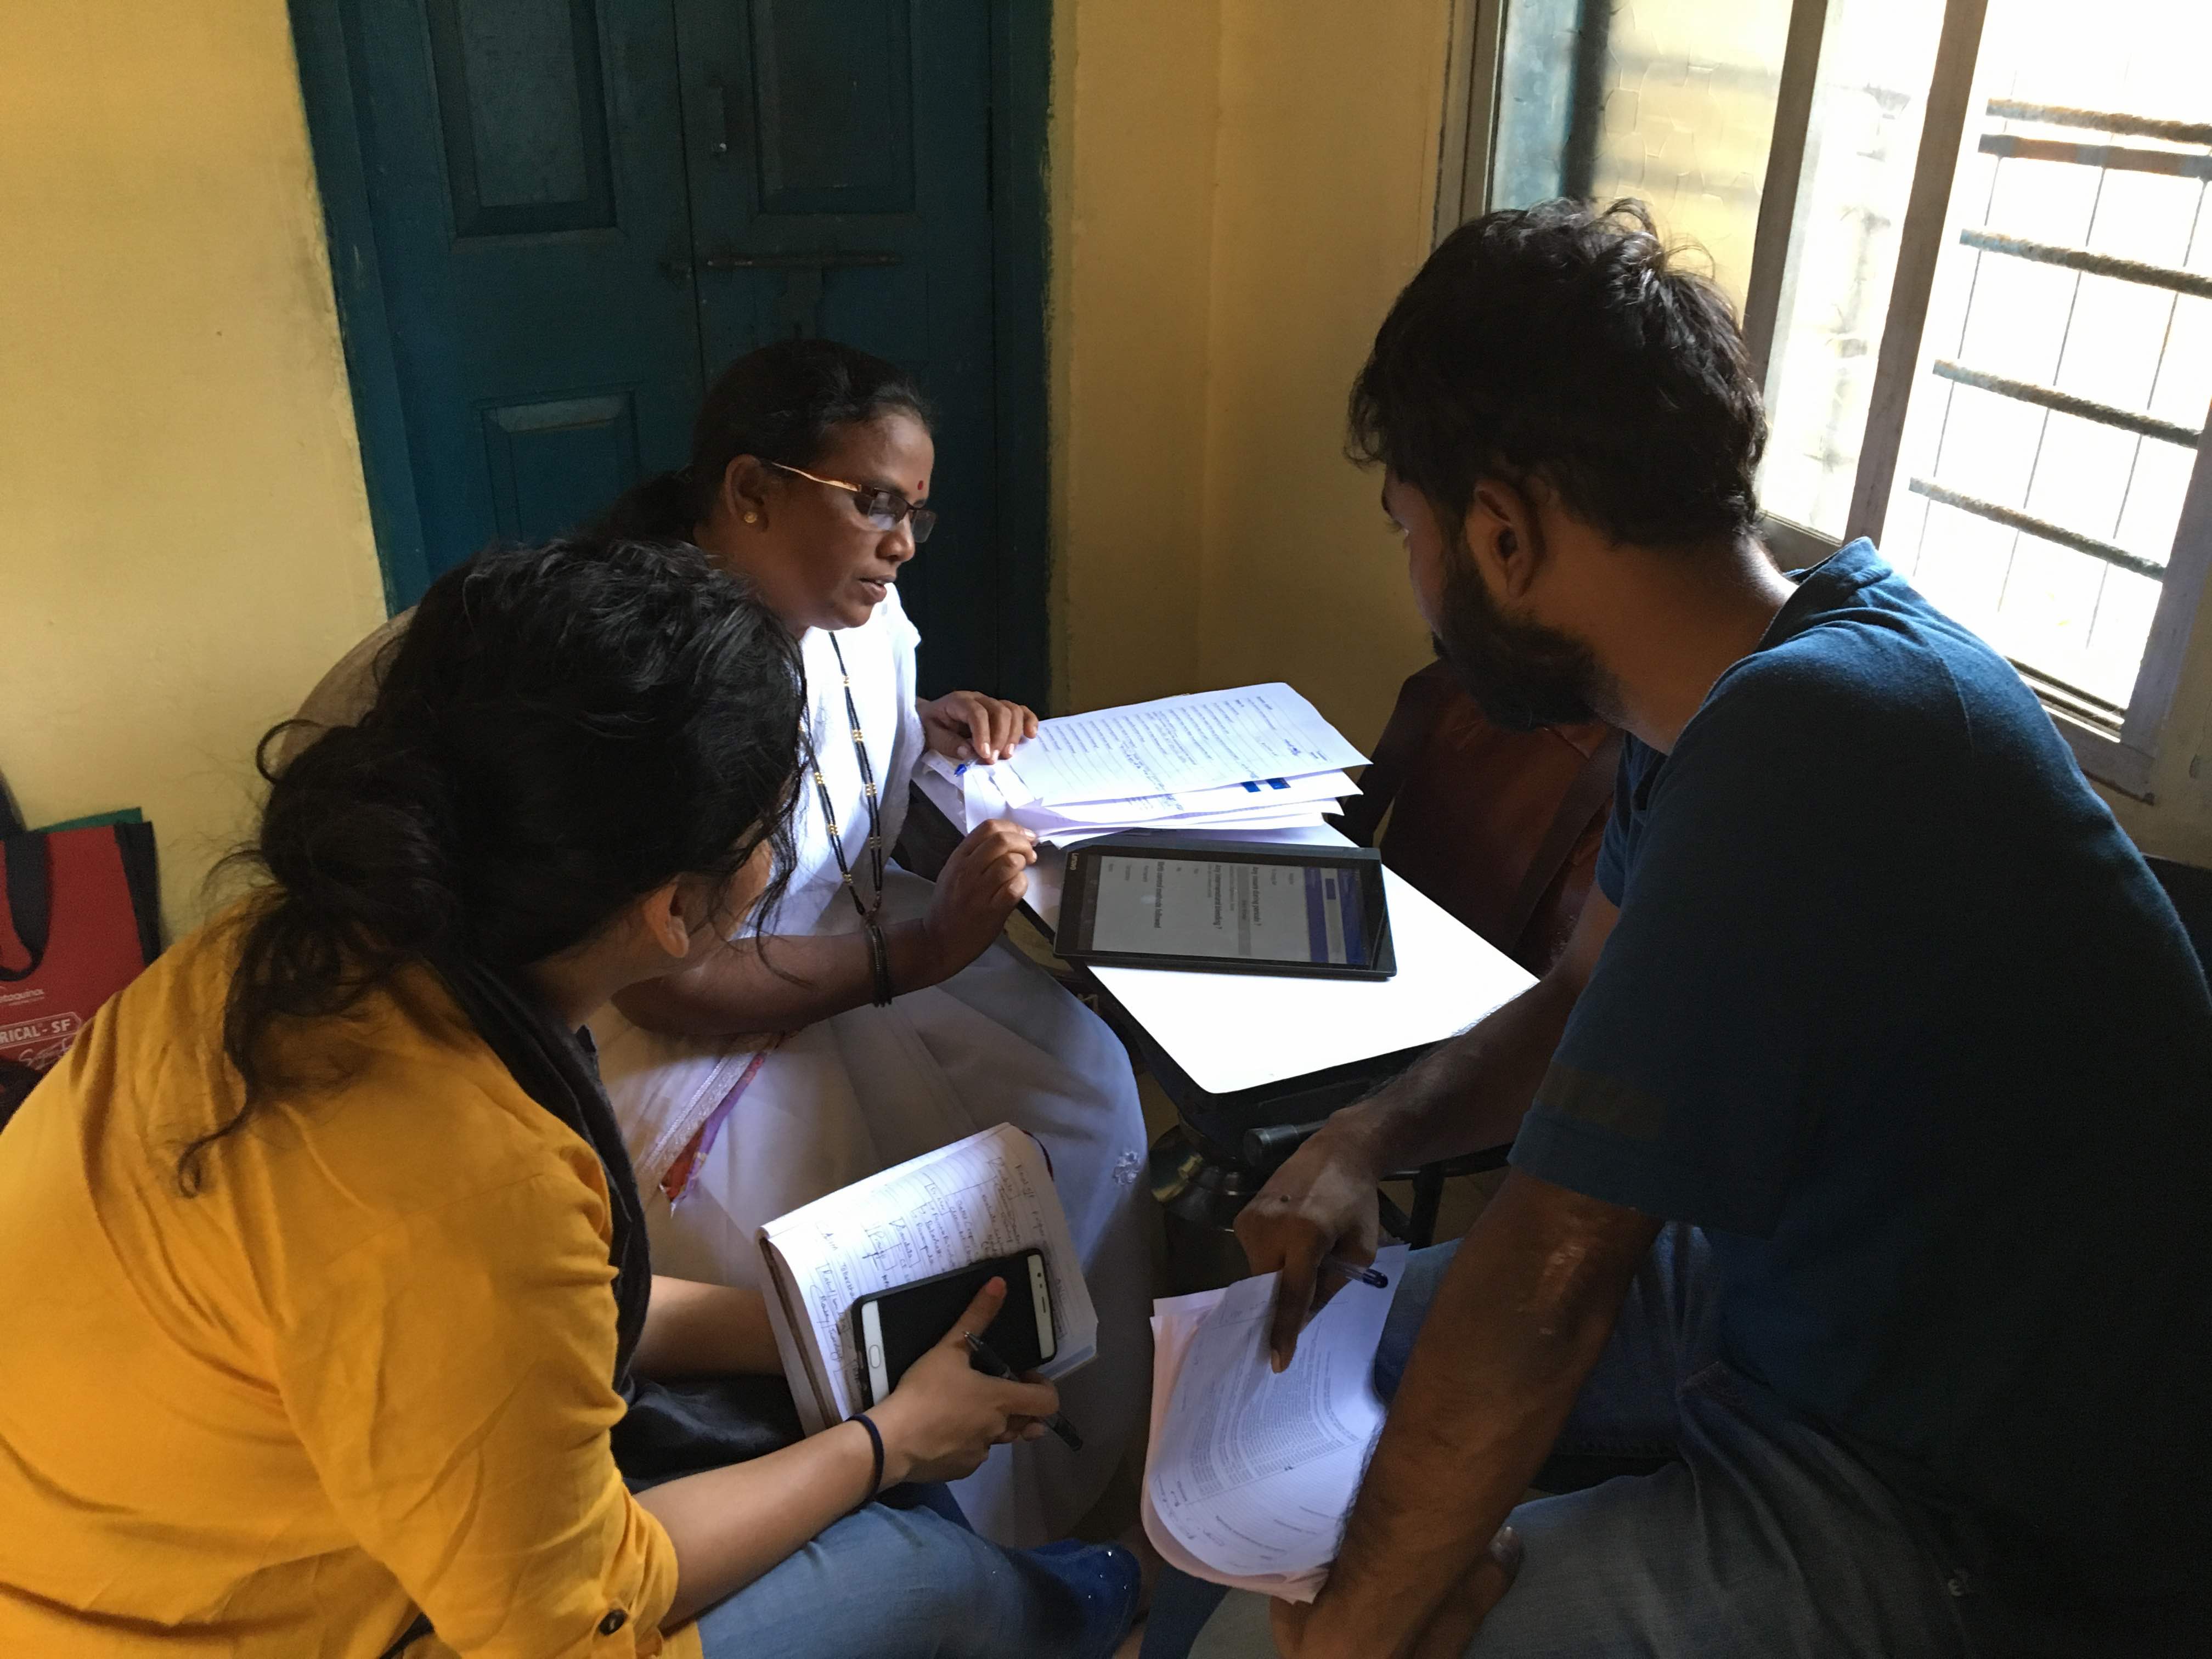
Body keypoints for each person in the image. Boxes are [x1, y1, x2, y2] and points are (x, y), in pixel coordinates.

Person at [1207, 201, 2211, 1658]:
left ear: (1501, 533)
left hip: (1962, 1495)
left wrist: (1359, 1628)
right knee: (1293, 1378)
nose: (1419, 583)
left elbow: (1557, 1270)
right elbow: (1584, 992)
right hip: (1792, 1304)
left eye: (1409, 533)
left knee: (1266, 1639)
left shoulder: (1815, 736)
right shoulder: (1731, 701)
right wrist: (1372, 1138)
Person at [0, 538, 1139, 1658]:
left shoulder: (267, 950)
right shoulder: (462, 1192)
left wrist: (812, 1341)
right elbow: (571, 1618)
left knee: (831, 1458)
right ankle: (1081, 1610)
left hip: (105, 1526)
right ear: (678, 914)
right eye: (771, 831)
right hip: (206, 1623)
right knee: (923, 1575)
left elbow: (525, 1323)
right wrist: (884, 1441)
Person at [286, 341, 1154, 1546]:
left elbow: (853, 788)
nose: (901, 543)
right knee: (863, 1221)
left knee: (1087, 1093)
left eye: (916, 511)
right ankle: (935, 1524)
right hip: (690, 1004)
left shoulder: (865, 610)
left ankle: (1055, 1455)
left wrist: (923, 726)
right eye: (876, 506)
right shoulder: (649, 679)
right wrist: (925, 955)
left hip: (838, 935)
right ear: (750, 493)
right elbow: (672, 974)